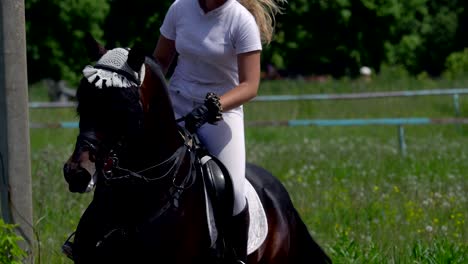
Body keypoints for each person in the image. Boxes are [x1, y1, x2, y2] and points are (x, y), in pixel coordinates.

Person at [153, 0, 285, 262]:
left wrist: (212, 107)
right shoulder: (179, 8)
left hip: (220, 113)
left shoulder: (241, 21)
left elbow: (250, 86)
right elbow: (160, 61)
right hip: (176, 102)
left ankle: (235, 256)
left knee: (234, 192)